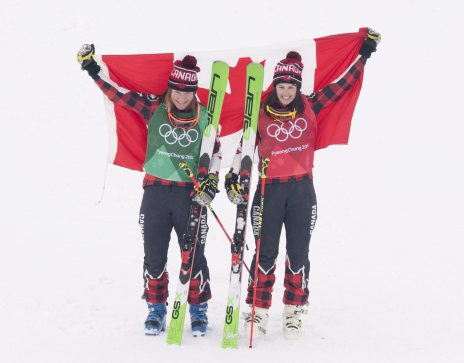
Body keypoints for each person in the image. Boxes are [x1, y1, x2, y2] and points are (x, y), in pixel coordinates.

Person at [224, 29, 381, 340]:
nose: (285, 91)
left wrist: (364, 53)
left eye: (290, 86)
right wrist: (234, 177)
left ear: (297, 87)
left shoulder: (311, 105)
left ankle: (294, 310)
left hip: (301, 190)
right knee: (264, 252)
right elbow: (243, 148)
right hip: (269, 191)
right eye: (281, 85)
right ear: (275, 85)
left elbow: (342, 84)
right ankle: (258, 311)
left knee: (298, 252)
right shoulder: (258, 113)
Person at [77, 45, 220, 336]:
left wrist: (212, 182)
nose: (181, 96)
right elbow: (119, 95)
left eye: (187, 91)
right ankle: (156, 308)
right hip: (155, 193)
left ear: (195, 92)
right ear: (170, 90)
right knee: (154, 252)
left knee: (193, 253)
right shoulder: (154, 107)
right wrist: (94, 71)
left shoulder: (206, 117)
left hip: (188, 196)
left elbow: (215, 152)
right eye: (177, 90)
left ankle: (198, 309)